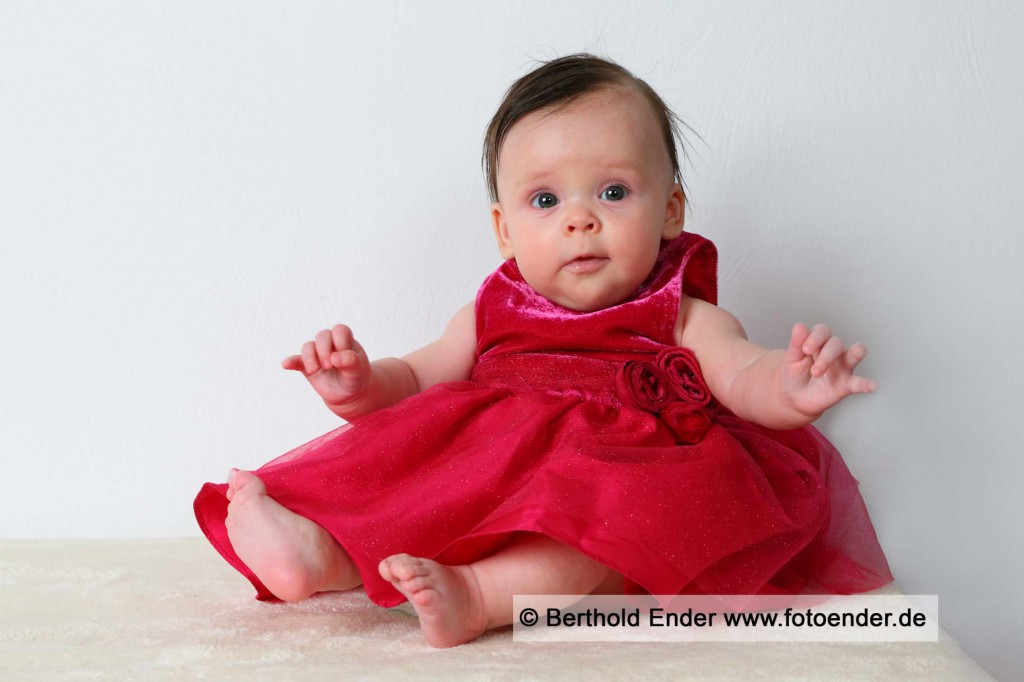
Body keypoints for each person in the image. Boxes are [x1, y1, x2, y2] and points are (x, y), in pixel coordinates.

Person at [194, 53, 893, 648]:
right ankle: (318, 557)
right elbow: (413, 380)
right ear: (503, 230)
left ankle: (479, 594)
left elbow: (742, 374)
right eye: (545, 200)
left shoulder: (682, 315)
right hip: (493, 487)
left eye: (614, 191)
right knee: (398, 482)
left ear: (671, 211)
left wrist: (790, 387)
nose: (580, 218)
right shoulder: (492, 311)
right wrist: (356, 385)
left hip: (621, 491)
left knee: (591, 518)